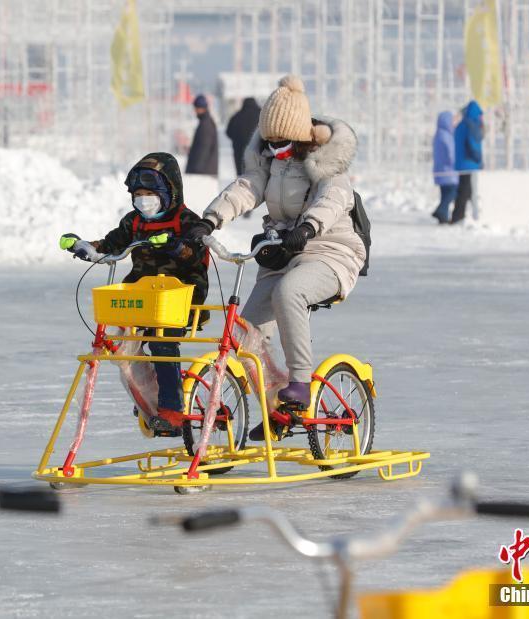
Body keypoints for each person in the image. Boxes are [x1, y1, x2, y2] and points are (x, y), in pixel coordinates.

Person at [184, 74, 366, 441]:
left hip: (331, 251)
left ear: (299, 137)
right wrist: (209, 219)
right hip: (283, 250)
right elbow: (246, 189)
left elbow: (333, 201)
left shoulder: (325, 164)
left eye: (282, 141)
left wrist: (308, 228)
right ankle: (276, 408)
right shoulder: (270, 160)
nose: (276, 148)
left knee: (290, 293)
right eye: (269, 141)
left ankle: (299, 382)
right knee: (244, 333)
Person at [59, 153, 210, 436]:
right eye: (138, 194)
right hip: (143, 296)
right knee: (124, 344)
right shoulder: (134, 222)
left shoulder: (186, 221)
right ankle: (151, 394)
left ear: (170, 192)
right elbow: (111, 244)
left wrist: (178, 248)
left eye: (150, 193)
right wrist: (85, 246)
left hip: (179, 298)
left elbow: (194, 251)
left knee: (161, 342)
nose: (143, 200)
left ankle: (173, 410)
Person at [450, 100, 483, 224]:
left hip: (461, 162)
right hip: (468, 162)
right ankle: (459, 216)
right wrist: (477, 158)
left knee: (464, 190)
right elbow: (472, 144)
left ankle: (459, 215)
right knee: (466, 191)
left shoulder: (462, 124)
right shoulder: (471, 125)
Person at [431, 111, 458, 224]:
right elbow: (451, 153)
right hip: (448, 172)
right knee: (453, 192)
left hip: (440, 170)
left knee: (445, 195)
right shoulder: (446, 136)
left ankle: (443, 217)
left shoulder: (438, 135)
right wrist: (456, 163)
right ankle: (440, 210)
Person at [225, 97, 261, 176]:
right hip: (258, 153)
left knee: (242, 178)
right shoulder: (261, 115)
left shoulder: (236, 116)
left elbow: (228, 132)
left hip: (240, 152)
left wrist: (238, 139)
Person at [185, 94, 218, 176]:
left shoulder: (205, 125)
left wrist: (196, 170)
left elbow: (203, 149)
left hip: (203, 173)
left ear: (200, 108)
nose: (194, 110)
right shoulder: (206, 122)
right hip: (205, 171)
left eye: (195, 108)